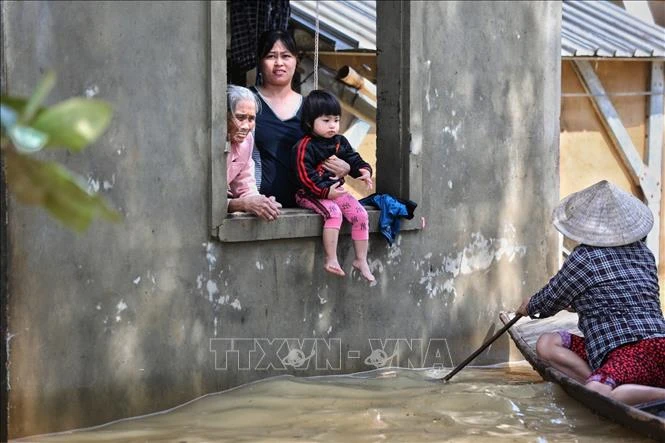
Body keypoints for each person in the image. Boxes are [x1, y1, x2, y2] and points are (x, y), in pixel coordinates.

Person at [516, 180, 665, 405]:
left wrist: (529, 306)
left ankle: (612, 386)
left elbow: (548, 301)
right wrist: (573, 304)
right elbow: (613, 297)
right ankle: (604, 378)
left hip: (630, 352)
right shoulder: (644, 253)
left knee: (599, 393)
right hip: (654, 344)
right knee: (547, 343)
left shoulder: (584, 258)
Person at [251, 29, 350, 208]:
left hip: (310, 207)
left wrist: (346, 166)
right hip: (259, 208)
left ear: (296, 60)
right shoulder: (247, 102)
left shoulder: (312, 108)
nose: (279, 63)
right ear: (260, 60)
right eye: (271, 56)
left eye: (286, 56)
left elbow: (334, 149)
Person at [291, 90, 375, 282]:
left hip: (335, 191)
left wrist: (364, 170)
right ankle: (331, 259)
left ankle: (361, 260)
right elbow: (305, 175)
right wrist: (325, 191)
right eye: (326, 120)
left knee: (361, 215)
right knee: (334, 214)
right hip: (310, 193)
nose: (332, 126)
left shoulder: (339, 141)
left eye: (336, 120)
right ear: (310, 121)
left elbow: (353, 158)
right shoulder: (305, 146)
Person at [226, 85, 281, 221]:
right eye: (240, 117)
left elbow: (245, 181)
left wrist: (261, 202)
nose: (246, 126)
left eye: (251, 119)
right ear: (224, 115)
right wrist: (242, 204)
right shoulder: (207, 142)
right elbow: (202, 200)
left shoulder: (247, 140)